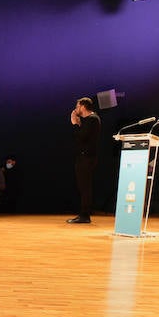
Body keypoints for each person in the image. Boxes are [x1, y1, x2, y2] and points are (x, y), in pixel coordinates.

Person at [68, 96, 101, 224]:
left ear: (83, 106)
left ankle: (85, 215)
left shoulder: (93, 119)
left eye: (77, 106)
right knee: (83, 187)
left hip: (87, 158)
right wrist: (79, 123)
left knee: (85, 187)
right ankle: (83, 213)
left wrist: (75, 123)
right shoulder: (89, 120)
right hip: (84, 157)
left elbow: (81, 137)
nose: (76, 109)